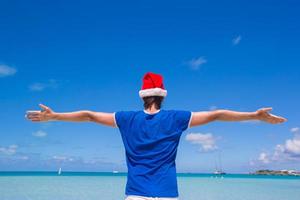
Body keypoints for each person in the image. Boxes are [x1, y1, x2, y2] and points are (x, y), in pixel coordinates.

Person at [26, 72, 287, 200]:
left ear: (142, 96)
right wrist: (255, 115)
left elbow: (89, 115)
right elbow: (218, 114)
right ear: (163, 96)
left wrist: (55, 115)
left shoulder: (126, 119)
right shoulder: (176, 118)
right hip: (166, 193)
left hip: (136, 194)